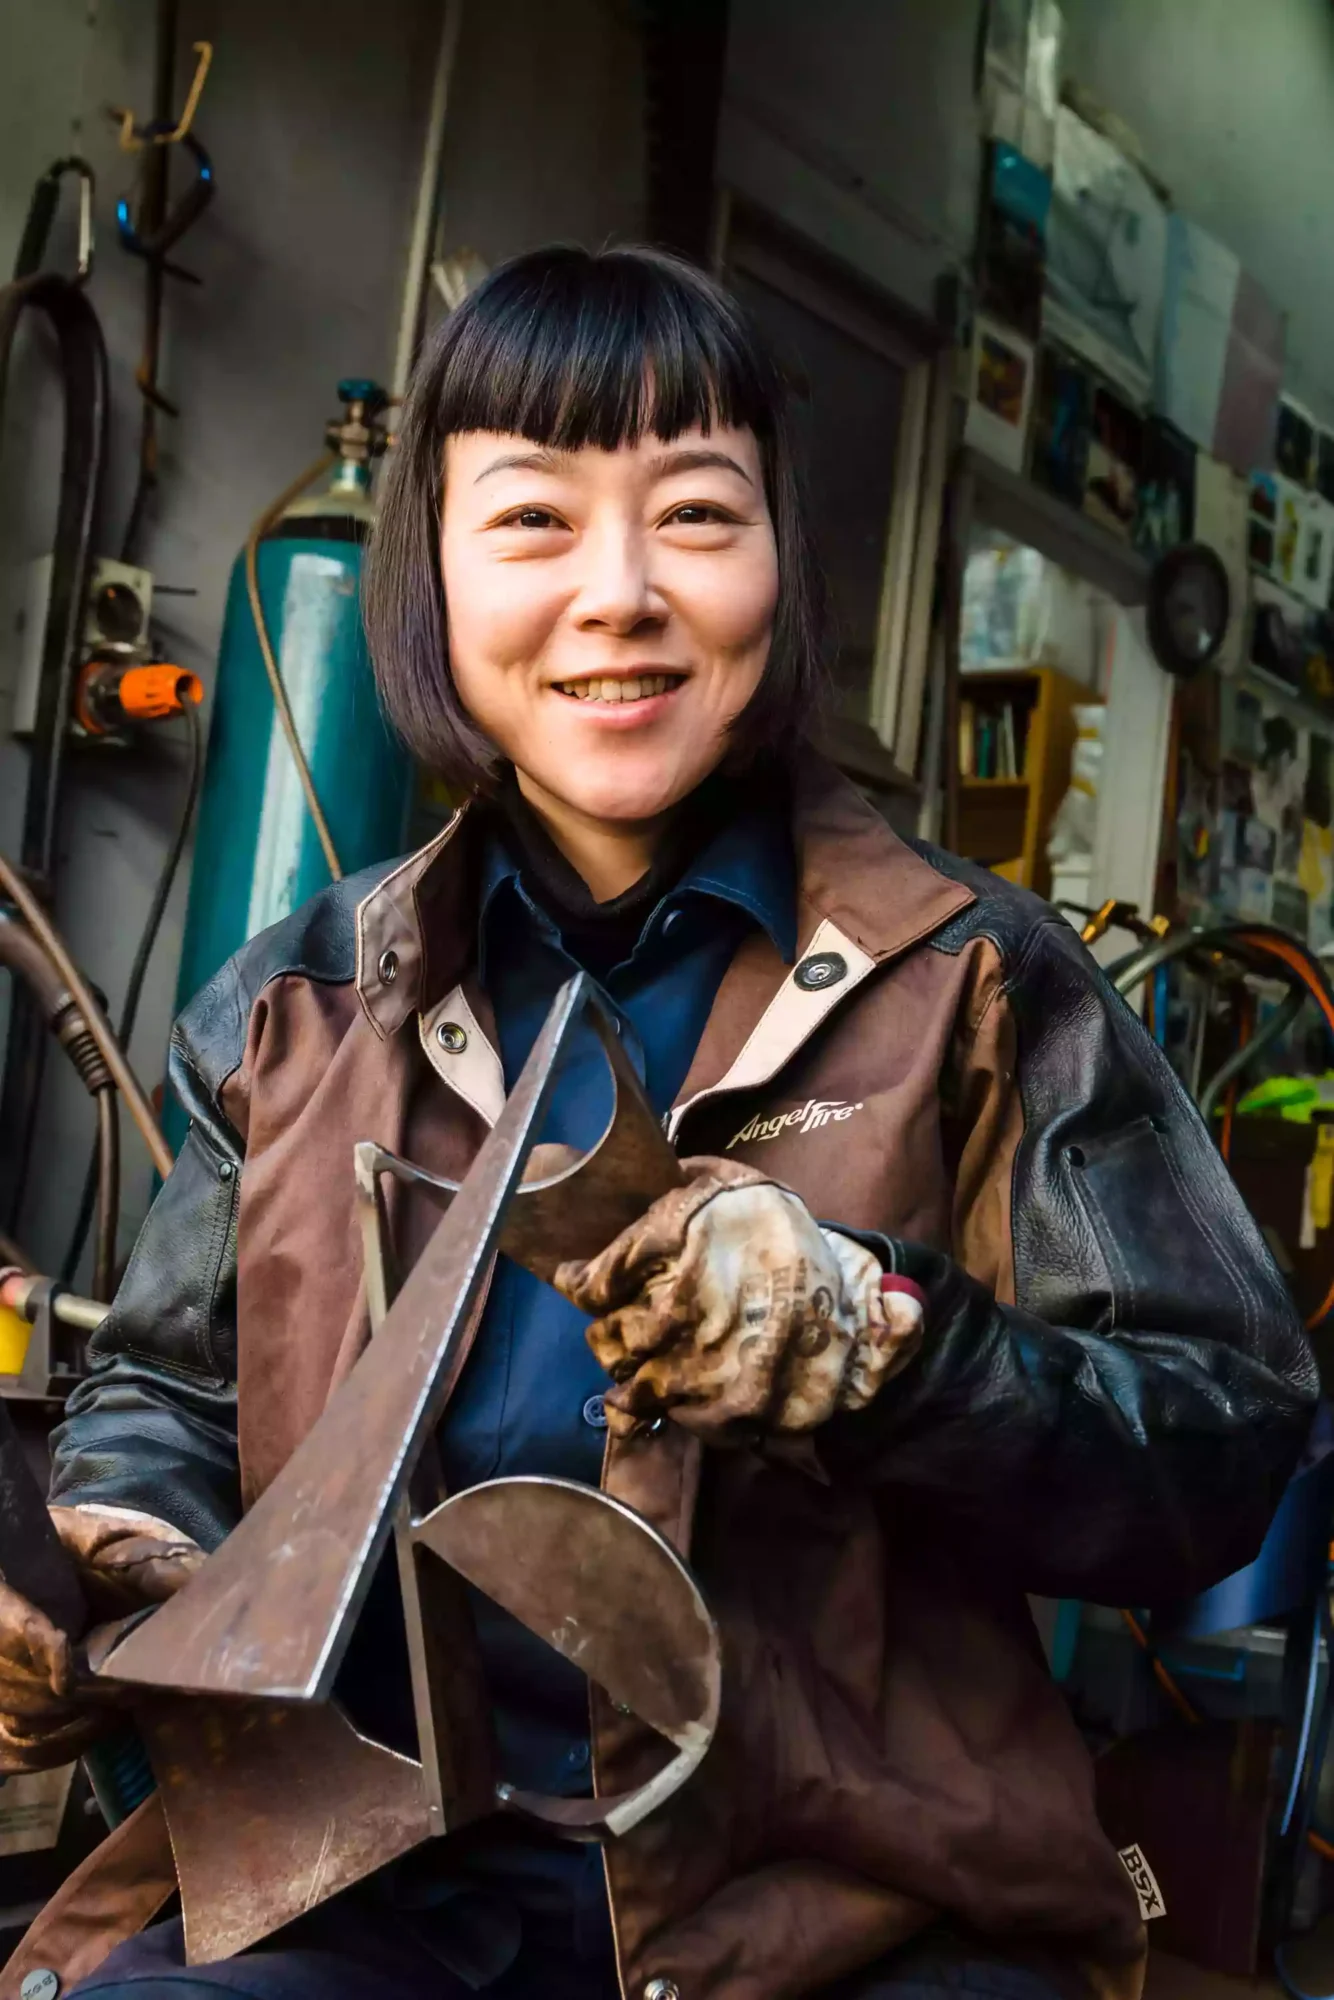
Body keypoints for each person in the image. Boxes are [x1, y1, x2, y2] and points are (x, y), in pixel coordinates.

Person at [0, 245, 1317, 2000]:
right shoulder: (291, 1009)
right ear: (430, 576)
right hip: (369, 1878)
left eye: (694, 513)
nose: (617, 594)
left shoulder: (979, 986)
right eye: (531, 521)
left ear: (781, 560)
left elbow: (1222, 1445)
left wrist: (881, 1342)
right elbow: (163, 1396)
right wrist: (113, 1565)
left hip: (850, 1908)